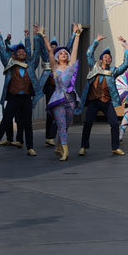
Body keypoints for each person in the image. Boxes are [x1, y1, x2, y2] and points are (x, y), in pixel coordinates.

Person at [0, 26, 42, 157]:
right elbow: (2, 51)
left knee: (28, 124)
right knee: (5, 122)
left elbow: (37, 51)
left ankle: (30, 147)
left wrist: (36, 36)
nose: (22, 53)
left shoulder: (31, 65)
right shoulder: (10, 64)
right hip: (13, 98)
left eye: (24, 51)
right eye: (19, 52)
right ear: (15, 54)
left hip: (26, 99)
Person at [76, 34, 128, 156]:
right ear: (101, 60)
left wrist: (126, 49)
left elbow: (125, 65)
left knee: (115, 123)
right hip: (94, 101)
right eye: (105, 57)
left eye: (109, 57)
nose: (107, 58)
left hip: (107, 101)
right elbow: (88, 54)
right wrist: (96, 41)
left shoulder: (112, 71)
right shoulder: (94, 67)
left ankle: (115, 147)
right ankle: (83, 147)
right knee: (88, 122)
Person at [40, 25, 82, 161]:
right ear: (58, 57)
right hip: (58, 99)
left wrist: (77, 35)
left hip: (70, 99)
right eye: (61, 53)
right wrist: (44, 36)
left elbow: (75, 49)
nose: (63, 54)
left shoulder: (70, 66)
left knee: (67, 124)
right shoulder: (55, 67)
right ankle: (65, 151)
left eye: (65, 53)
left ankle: (59, 145)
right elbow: (49, 51)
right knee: (61, 125)